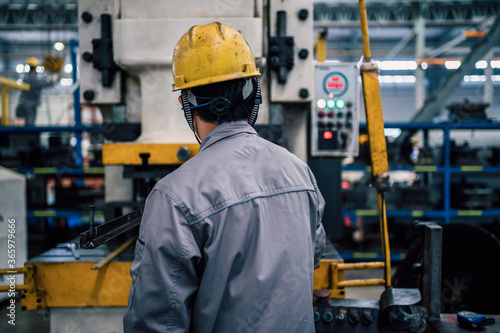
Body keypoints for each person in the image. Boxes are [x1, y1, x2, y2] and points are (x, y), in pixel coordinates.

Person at [123, 22, 326, 333]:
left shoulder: (174, 196)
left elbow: (156, 321)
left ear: (185, 102)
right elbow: (312, 254)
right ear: (254, 92)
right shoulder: (299, 172)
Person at [15, 57, 56, 126]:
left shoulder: (25, 77)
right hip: (29, 107)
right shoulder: (31, 79)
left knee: (21, 126)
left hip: (21, 105)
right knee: (29, 126)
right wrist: (53, 79)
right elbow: (44, 83)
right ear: (35, 69)